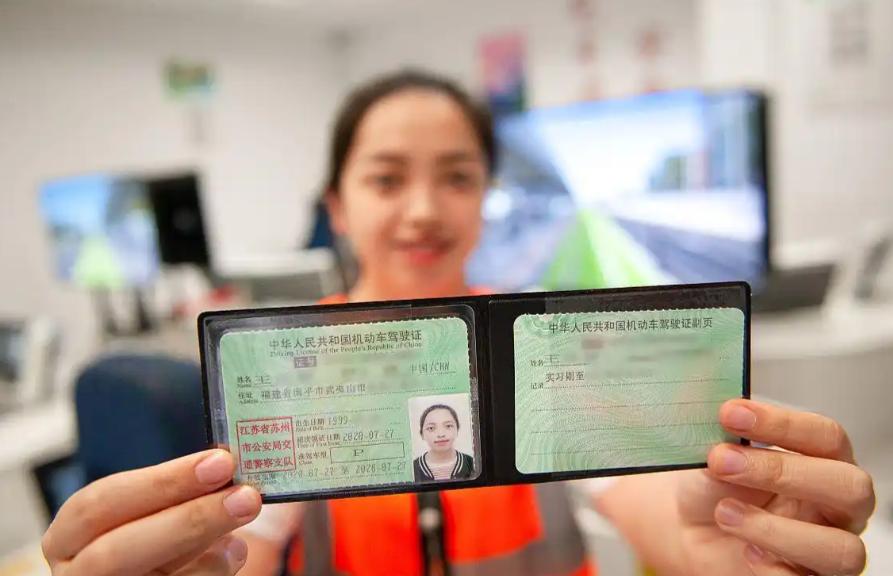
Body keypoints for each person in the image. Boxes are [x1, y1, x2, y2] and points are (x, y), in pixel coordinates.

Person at [41, 70, 876, 576]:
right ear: (337, 206)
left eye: (456, 177)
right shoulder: (280, 366)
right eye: (385, 178)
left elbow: (648, 498)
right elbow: (245, 544)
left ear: (484, 199)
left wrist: (720, 543)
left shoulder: (547, 343)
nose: (422, 210)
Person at [413, 404, 474, 482]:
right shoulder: (413, 467)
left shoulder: (471, 463)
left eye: (448, 426)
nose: (441, 434)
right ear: (422, 434)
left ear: (457, 429)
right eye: (431, 428)